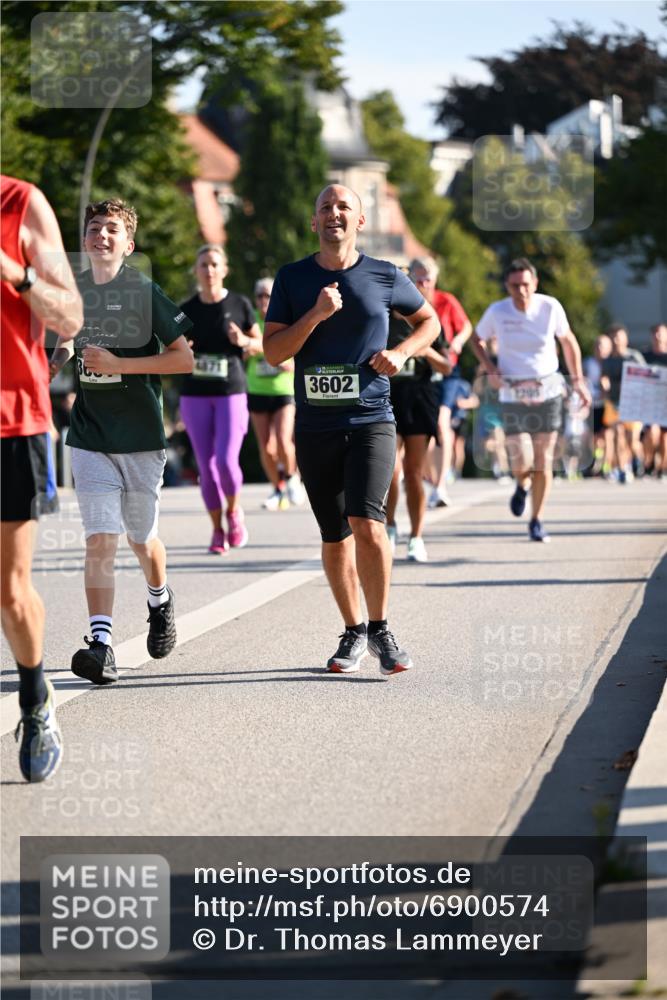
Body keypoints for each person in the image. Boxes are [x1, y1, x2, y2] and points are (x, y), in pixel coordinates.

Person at [264, 185, 439, 676]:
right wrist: (315, 315)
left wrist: (402, 352)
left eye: (344, 207)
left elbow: (430, 322)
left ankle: (381, 628)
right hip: (315, 425)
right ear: (313, 222)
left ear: (360, 221)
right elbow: (274, 352)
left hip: (371, 420)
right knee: (335, 534)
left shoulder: (385, 275)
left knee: (368, 522)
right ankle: (353, 630)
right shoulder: (293, 278)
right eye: (325, 207)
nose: (334, 213)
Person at [49, 198, 193, 683]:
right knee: (100, 540)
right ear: (85, 240)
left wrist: (120, 365)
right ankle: (101, 645)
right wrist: (56, 361)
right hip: (90, 435)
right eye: (94, 227)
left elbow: (183, 359)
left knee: (141, 539)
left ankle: (160, 599)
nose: (102, 235)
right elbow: (68, 335)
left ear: (128, 245)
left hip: (141, 438)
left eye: (112, 229)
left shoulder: (142, 291)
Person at [1, 174, 83, 781]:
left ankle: (34, 697)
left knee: (10, 589)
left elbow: (71, 316)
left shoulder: (19, 204)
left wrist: (16, 273)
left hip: (12, 420)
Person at [471, 257, 591, 542]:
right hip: (512, 393)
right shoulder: (497, 311)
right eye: (515, 285)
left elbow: (568, 342)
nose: (521, 291)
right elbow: (476, 340)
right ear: (507, 286)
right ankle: (522, 484)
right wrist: (490, 369)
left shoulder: (550, 307)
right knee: (521, 460)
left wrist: (578, 381)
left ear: (535, 283)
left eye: (526, 284)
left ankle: (536, 520)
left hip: (548, 391)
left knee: (543, 461)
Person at [179, 245, 262, 552]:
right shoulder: (185, 309)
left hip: (231, 391)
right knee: (207, 468)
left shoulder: (240, 304)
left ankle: (234, 513)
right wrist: (181, 349)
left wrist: (244, 341)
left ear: (224, 269)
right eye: (203, 265)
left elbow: (262, 344)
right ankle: (217, 530)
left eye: (214, 264)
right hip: (195, 394)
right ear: (196, 271)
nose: (209, 270)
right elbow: (170, 348)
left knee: (226, 461)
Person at [385, 311, 451, 562]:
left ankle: (416, 537)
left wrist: (426, 351)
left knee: (413, 473)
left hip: (419, 400)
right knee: (390, 470)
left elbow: (447, 367)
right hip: (385, 398)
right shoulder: (379, 315)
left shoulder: (426, 319)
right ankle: (390, 526)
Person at [407, 257, 472, 508]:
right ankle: (430, 479)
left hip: (446, 371)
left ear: (435, 279)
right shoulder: (405, 303)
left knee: (442, 423)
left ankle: (440, 486)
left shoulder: (446, 300)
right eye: (419, 278)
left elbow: (465, 326)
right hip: (418, 374)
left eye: (428, 278)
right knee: (424, 431)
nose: (423, 283)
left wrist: (457, 342)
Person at [245, 276, 305, 510]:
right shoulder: (249, 319)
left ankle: (291, 478)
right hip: (257, 389)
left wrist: (287, 363)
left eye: (268, 295)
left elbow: (297, 350)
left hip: (283, 389)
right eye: (259, 295)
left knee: (282, 439)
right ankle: (277, 489)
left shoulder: (284, 317)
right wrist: (247, 350)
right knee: (266, 447)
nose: (263, 300)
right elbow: (240, 351)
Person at [600, 325, 645, 483]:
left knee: (632, 440)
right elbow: (604, 377)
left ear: (625, 338)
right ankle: (622, 469)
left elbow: (646, 375)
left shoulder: (633, 357)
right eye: (613, 337)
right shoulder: (607, 360)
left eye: (618, 336)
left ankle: (639, 461)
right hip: (614, 402)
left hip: (632, 403)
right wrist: (604, 385)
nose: (616, 340)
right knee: (617, 435)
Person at [582, 334, 613, 478]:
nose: (600, 349)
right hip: (593, 404)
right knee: (594, 438)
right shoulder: (588, 363)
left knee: (607, 435)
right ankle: (596, 461)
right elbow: (581, 379)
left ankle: (607, 467)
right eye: (598, 345)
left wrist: (607, 389)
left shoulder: (612, 363)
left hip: (607, 405)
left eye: (603, 346)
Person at [642, 323, 667, 479]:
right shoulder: (644, 356)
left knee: (664, 438)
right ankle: (649, 463)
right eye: (655, 333)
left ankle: (662, 469)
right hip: (650, 403)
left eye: (661, 333)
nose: (658, 336)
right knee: (651, 433)